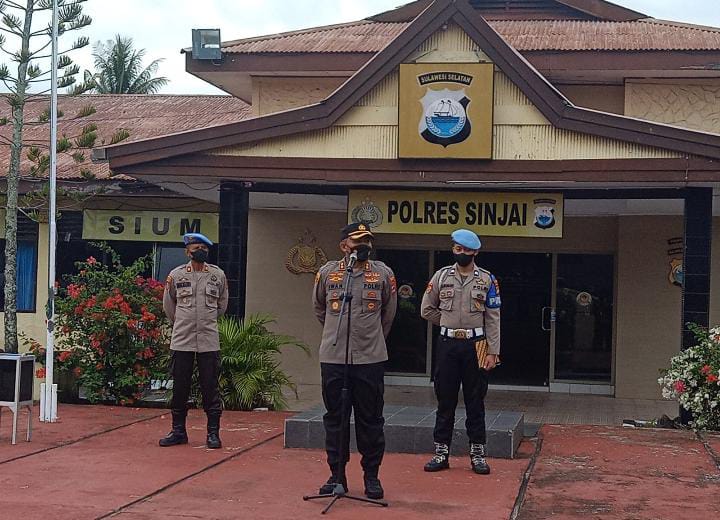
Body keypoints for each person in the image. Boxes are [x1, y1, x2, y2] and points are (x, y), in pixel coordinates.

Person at [312, 222, 397, 500]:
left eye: (367, 241)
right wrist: (337, 335)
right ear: (343, 246)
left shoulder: (383, 274)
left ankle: (371, 476)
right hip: (334, 358)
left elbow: (388, 314)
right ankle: (336, 475)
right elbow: (320, 308)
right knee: (335, 419)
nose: (363, 246)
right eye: (357, 241)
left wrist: (370, 339)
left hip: (369, 359)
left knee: (370, 420)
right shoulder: (328, 273)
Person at [420, 229, 501, 474]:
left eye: (467, 250)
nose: (462, 253)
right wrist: (448, 323)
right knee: (445, 399)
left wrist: (493, 351)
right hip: (448, 343)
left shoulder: (487, 279)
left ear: (475, 252)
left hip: (478, 344)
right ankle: (441, 452)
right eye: (458, 249)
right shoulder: (441, 276)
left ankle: (478, 455)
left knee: (476, 400)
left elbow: (493, 317)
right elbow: (426, 309)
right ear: (453, 249)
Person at [159, 232, 228, 449]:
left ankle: (213, 433)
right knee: (180, 387)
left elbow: (222, 305)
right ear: (187, 252)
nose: (201, 251)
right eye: (197, 248)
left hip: (208, 339)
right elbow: (169, 305)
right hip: (182, 339)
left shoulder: (217, 275)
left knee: (210, 387)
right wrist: (183, 322)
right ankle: (178, 431)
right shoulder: (176, 275)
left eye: (204, 249)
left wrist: (206, 320)